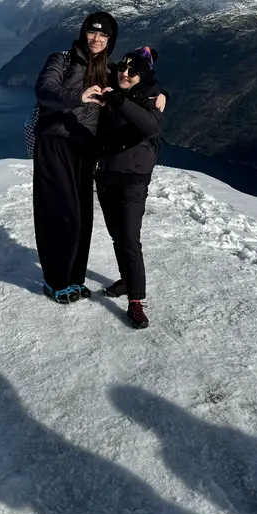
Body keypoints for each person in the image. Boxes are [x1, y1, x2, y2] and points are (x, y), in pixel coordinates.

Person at [33, 11, 119, 303]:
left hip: (85, 149)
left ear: (110, 40)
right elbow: (44, 89)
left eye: (104, 35)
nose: (97, 39)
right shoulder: (62, 59)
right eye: (93, 32)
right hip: (55, 143)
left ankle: (74, 279)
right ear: (84, 33)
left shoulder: (109, 69)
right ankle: (55, 281)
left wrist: (162, 93)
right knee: (60, 214)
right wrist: (77, 96)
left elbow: (138, 80)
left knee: (82, 218)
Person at [94, 46, 166, 330]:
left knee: (130, 239)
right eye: (122, 68)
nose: (124, 74)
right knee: (117, 235)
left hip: (133, 179)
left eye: (133, 71)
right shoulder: (116, 82)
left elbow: (150, 127)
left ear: (143, 75)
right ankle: (126, 279)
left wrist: (117, 99)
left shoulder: (151, 98)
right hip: (106, 174)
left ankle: (136, 300)